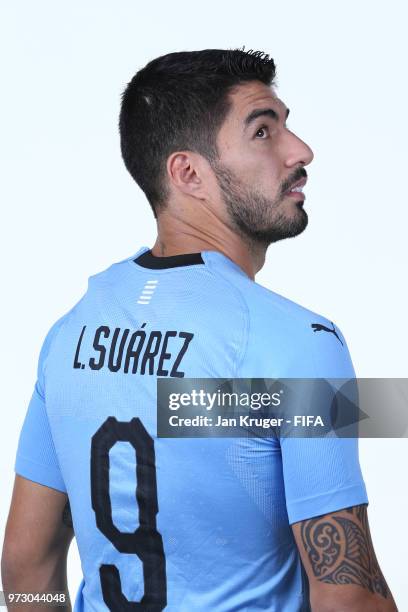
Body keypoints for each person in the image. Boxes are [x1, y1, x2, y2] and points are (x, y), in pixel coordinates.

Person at [1, 48, 398, 612]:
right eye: (263, 132)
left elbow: (24, 564)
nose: (300, 150)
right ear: (189, 173)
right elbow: (348, 599)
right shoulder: (299, 344)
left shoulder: (70, 335)